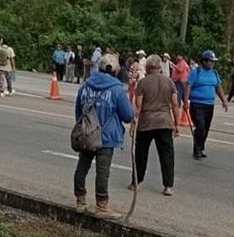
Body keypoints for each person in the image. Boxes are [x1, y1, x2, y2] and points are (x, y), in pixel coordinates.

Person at [73, 53, 135, 218]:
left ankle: (80, 201)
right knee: (102, 171)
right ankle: (102, 205)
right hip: (106, 137)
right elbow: (128, 115)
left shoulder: (86, 85)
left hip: (87, 133)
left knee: (82, 167)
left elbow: (78, 111)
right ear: (115, 71)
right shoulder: (116, 89)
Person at [133, 55, 182, 196]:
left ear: (147, 68)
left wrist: (133, 123)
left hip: (146, 123)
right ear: (160, 68)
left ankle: (137, 182)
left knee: (141, 154)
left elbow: (138, 106)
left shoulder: (142, 83)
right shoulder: (169, 82)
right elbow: (174, 105)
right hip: (164, 122)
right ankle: (168, 186)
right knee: (167, 155)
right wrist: (176, 124)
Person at [185, 51, 228, 159]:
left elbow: (218, 87)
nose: (213, 63)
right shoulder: (196, 72)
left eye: (213, 62)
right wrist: (186, 101)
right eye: (211, 61)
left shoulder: (214, 73)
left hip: (209, 105)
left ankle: (200, 148)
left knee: (206, 128)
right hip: (197, 104)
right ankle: (197, 149)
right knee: (200, 127)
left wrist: (224, 100)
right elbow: (188, 86)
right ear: (204, 61)